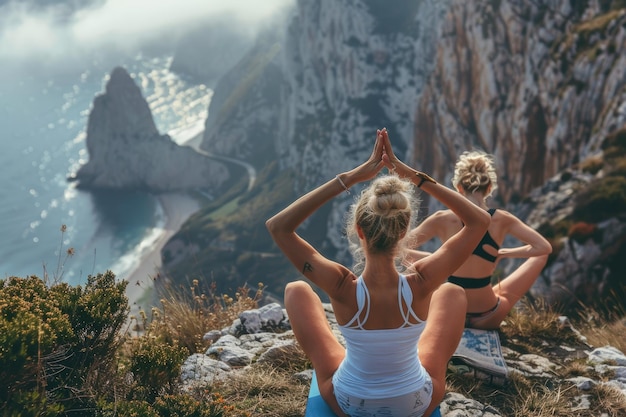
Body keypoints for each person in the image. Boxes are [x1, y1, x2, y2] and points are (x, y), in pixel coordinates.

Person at [266, 128, 491, 417]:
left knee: (295, 290)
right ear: (405, 229)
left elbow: (278, 227)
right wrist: (415, 177)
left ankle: (364, 372)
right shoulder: (423, 282)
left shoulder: (341, 286)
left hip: (350, 404)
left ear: (359, 230)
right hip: (414, 404)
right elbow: (479, 221)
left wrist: (350, 178)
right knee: (452, 292)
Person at [406, 150, 552, 330]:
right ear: (489, 188)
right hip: (487, 316)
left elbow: (397, 248)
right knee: (526, 270)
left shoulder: (442, 219)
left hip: (449, 312)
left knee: (451, 287)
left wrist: (434, 257)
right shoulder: (502, 219)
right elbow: (544, 248)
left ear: (459, 188)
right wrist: (503, 253)